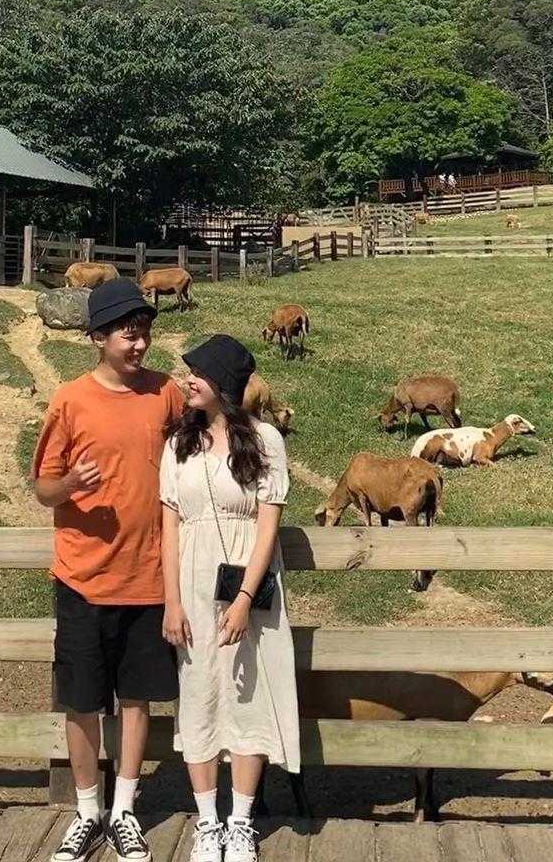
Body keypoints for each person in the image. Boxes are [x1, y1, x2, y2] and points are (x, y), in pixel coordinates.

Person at [33, 277, 185, 862]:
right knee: (82, 701)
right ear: (97, 337)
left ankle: (124, 811)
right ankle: (87, 809)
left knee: (139, 700)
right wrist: (69, 485)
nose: (139, 342)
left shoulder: (167, 394)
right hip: (83, 578)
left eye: (144, 331)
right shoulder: (69, 400)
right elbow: (43, 488)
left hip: (149, 579)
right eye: (127, 332)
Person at [160, 335, 299, 862]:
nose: (186, 380)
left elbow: (268, 528)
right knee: (198, 693)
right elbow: (169, 526)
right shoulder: (178, 443)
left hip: (250, 583)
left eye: (196, 372)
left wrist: (243, 598)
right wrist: (171, 601)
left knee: (249, 696)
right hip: (193, 584)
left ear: (223, 383)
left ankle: (241, 822)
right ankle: (208, 822)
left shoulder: (265, 441)